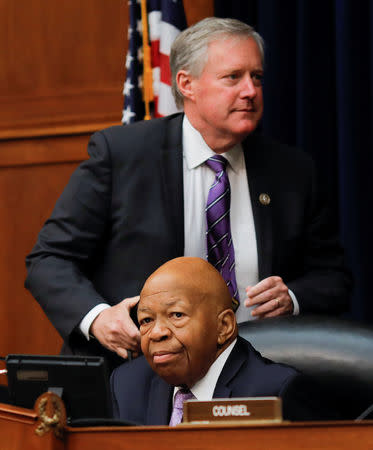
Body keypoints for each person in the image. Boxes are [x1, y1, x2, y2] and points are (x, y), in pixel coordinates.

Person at [25, 17, 352, 369]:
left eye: (256, 77)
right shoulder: (123, 155)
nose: (250, 91)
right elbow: (49, 260)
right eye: (233, 77)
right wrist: (98, 318)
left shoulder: (292, 172)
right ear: (186, 84)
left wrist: (292, 297)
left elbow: (334, 278)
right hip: (136, 377)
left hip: (257, 375)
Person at [111, 257, 340, 425]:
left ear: (224, 327)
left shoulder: (278, 391)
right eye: (146, 320)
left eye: (177, 315)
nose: (156, 332)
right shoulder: (127, 384)